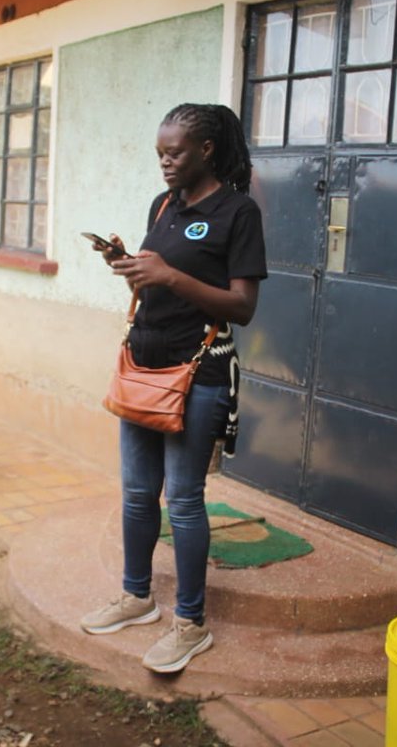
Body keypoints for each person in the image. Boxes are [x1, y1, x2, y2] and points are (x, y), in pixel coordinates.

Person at [80, 103, 267, 673]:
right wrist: (133, 264)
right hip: (143, 364)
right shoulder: (162, 204)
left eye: (175, 152)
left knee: (182, 500)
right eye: (160, 152)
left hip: (198, 371)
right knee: (138, 493)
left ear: (206, 150)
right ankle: (137, 597)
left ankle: (190, 623)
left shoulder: (239, 212)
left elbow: (243, 306)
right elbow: (159, 269)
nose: (165, 161)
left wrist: (167, 274)